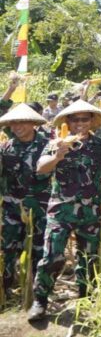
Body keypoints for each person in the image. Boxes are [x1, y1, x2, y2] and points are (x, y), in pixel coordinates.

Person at [28, 100, 101, 321]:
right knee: (52, 256)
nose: (80, 123)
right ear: (68, 122)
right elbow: (40, 168)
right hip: (61, 210)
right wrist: (58, 156)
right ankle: (40, 301)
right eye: (75, 119)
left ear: (91, 121)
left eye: (85, 119)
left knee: (89, 257)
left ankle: (87, 298)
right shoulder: (56, 143)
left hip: (90, 210)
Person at [0, 104, 51, 296]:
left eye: (22, 122)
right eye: (13, 123)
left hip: (40, 207)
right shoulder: (5, 148)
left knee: (39, 249)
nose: (17, 126)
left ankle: (36, 292)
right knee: (8, 247)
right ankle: (5, 290)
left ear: (32, 123)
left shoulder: (48, 145)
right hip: (12, 208)